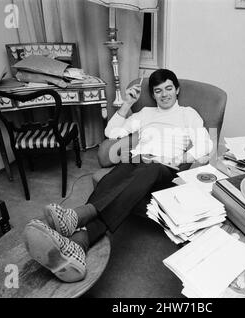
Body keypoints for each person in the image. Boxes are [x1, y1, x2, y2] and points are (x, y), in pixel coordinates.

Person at [23, 69, 213, 282]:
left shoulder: (188, 113)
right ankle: (78, 243)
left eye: (169, 88)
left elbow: (206, 144)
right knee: (118, 173)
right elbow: (112, 133)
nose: (164, 94)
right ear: (153, 94)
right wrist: (127, 104)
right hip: (138, 160)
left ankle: (78, 216)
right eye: (158, 91)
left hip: (163, 169)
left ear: (177, 90)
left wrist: (179, 159)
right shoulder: (146, 114)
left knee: (148, 168)